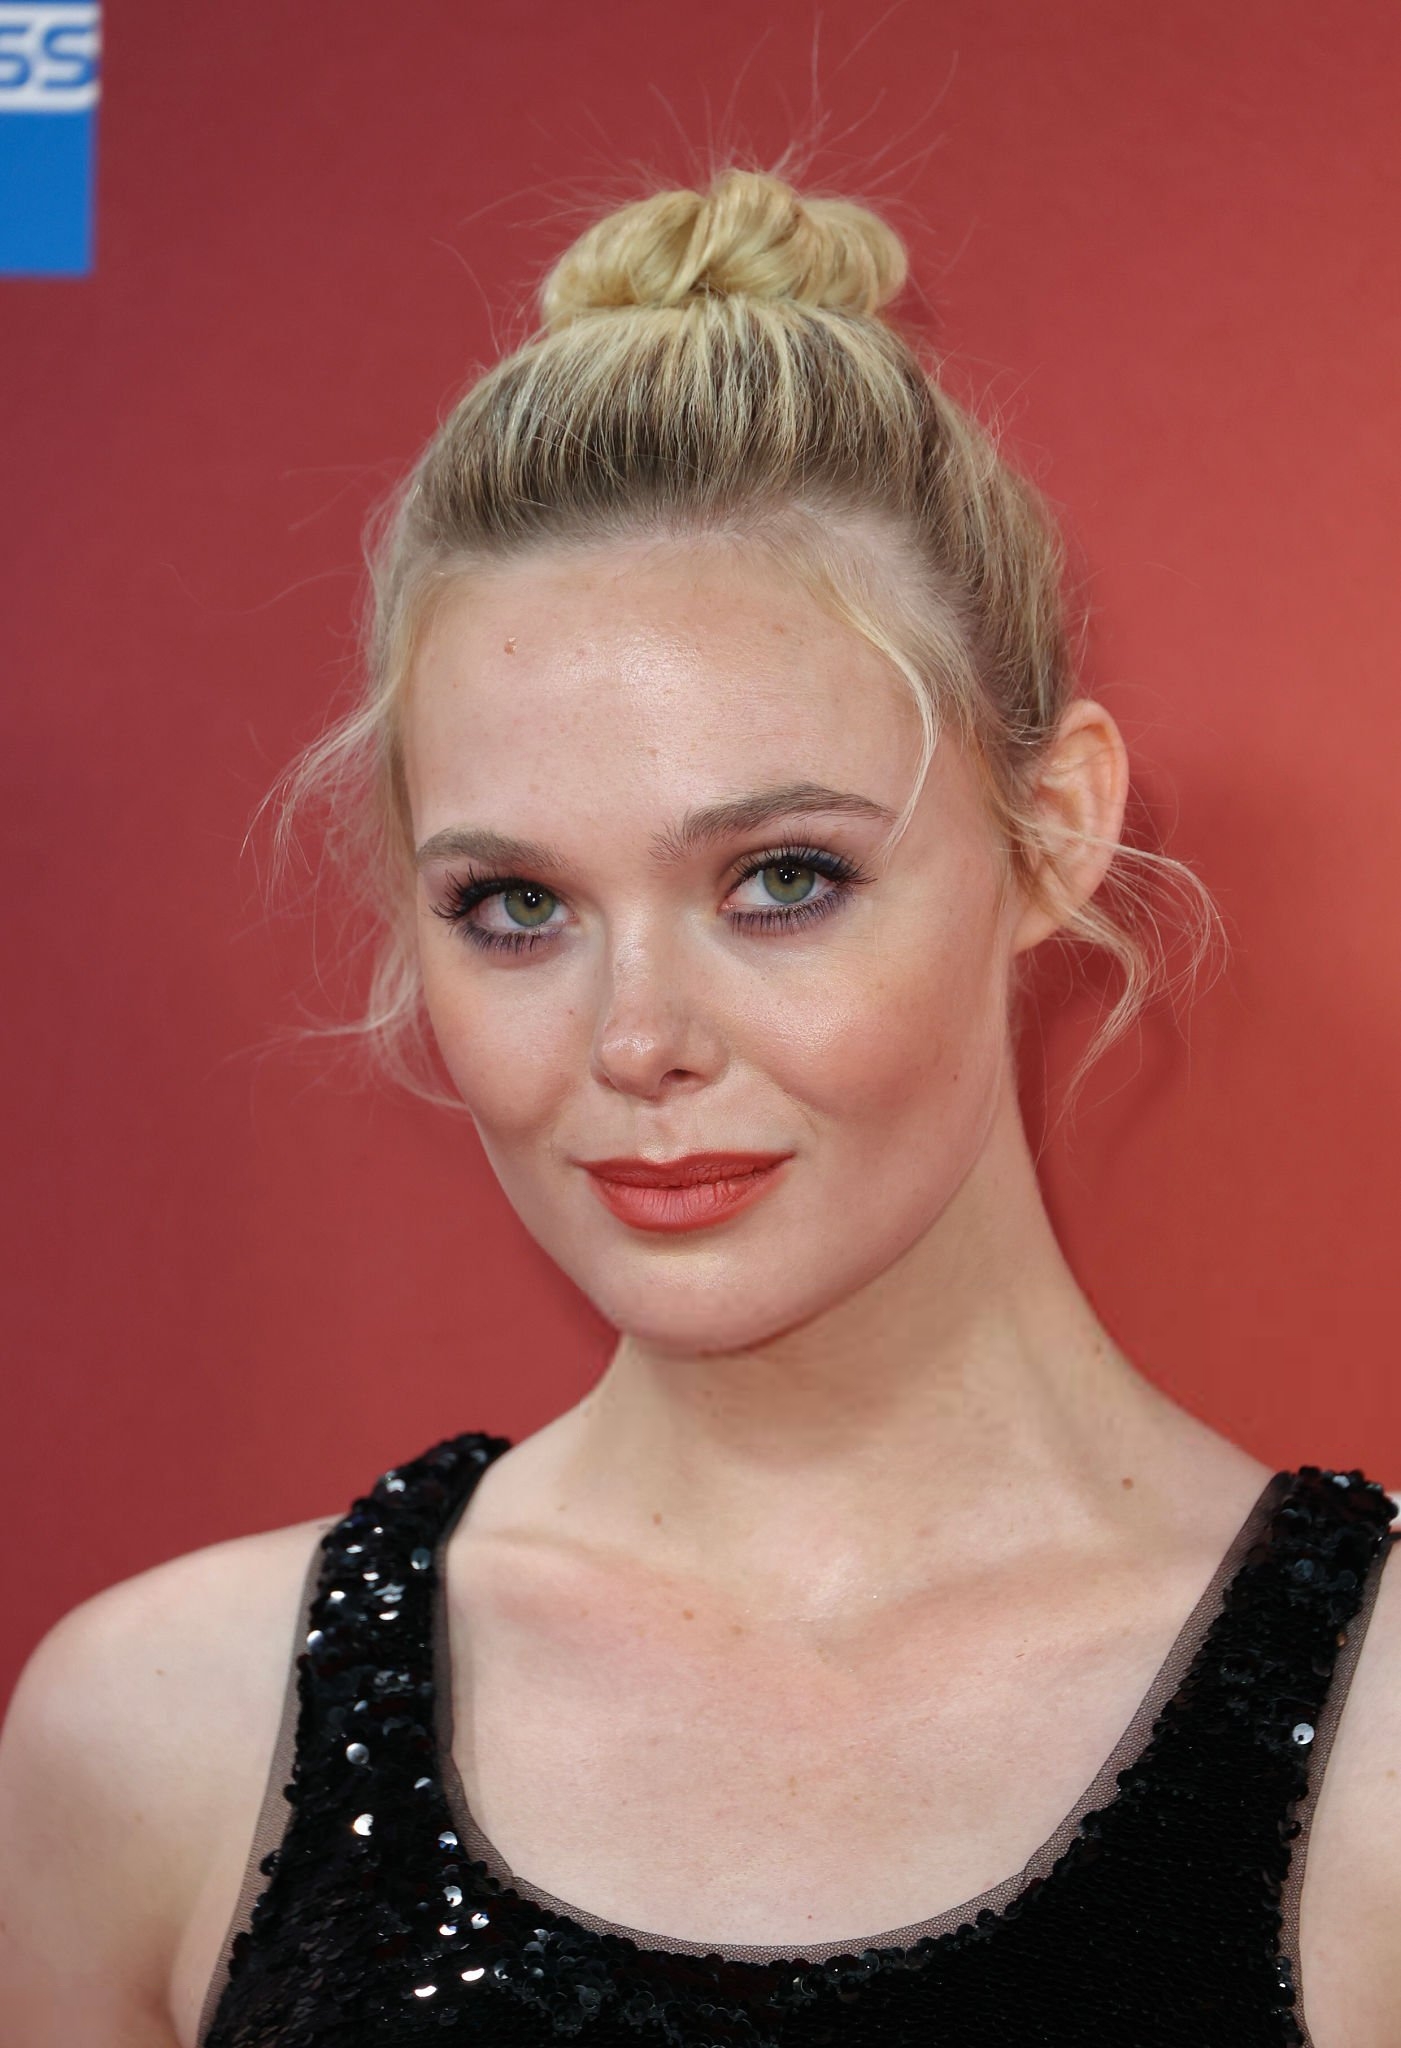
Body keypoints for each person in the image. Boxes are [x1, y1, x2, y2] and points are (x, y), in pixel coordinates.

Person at [1, 167, 1397, 2048]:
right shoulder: (159, 1741)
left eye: (781, 880)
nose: (635, 1040)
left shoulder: (1385, 1754)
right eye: (517, 908)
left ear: (1053, 833)